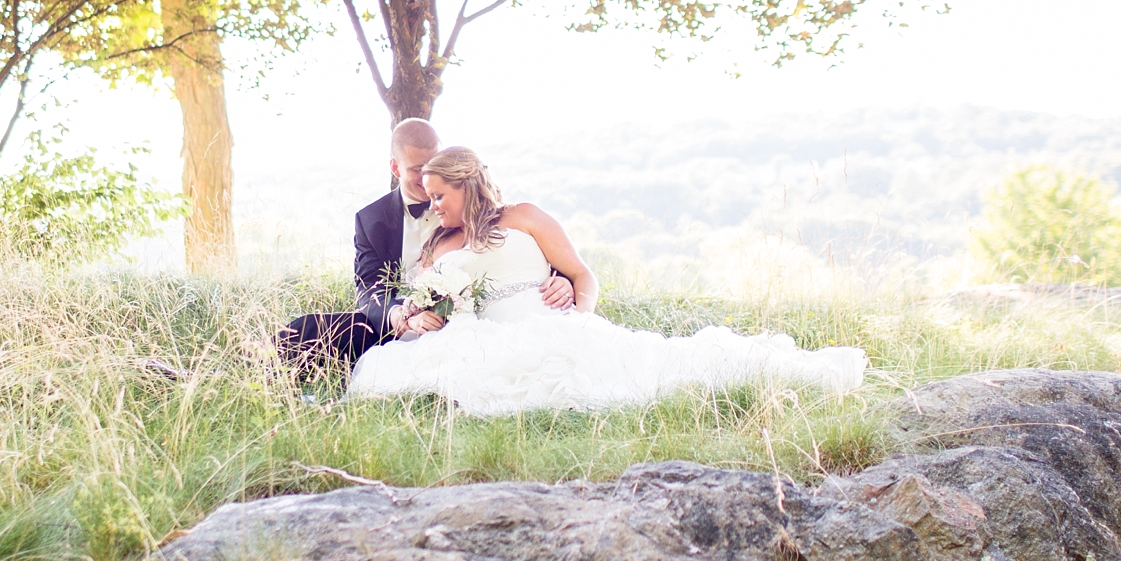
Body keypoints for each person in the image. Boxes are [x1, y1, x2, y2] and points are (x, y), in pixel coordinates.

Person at [347, 147, 867, 414]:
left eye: (440, 195)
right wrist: (425, 316)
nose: (433, 206)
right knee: (394, 372)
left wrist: (579, 313)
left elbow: (582, 274)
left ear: (466, 185)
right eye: (429, 197)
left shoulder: (524, 216)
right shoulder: (439, 245)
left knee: (651, 369)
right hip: (482, 334)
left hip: (551, 324)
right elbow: (431, 308)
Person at [276, 120, 573, 373]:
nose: (427, 176)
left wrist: (563, 280)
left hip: (479, 319)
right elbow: (369, 289)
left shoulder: (479, 203)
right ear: (395, 168)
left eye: (434, 165)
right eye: (418, 168)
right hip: (407, 322)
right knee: (311, 330)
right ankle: (266, 375)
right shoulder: (371, 220)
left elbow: (525, 254)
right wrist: (402, 316)